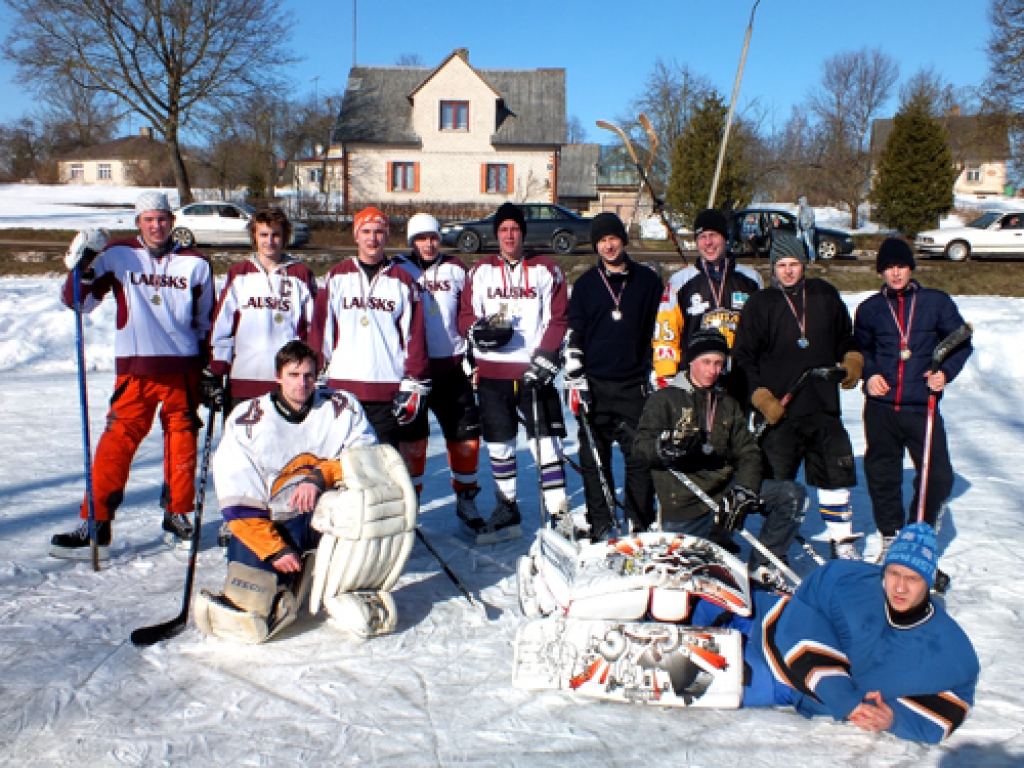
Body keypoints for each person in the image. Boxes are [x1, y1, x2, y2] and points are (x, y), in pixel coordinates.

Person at [692, 523, 979, 744]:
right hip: (771, 620)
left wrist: (893, 718)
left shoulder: (950, 649)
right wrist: (843, 697)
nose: (900, 587)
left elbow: (950, 708)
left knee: (700, 671)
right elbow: (801, 617)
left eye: (913, 579)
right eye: (894, 574)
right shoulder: (847, 578)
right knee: (693, 604)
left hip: (786, 682)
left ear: (928, 583)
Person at [50, 192, 215, 559]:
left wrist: (209, 368)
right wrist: (84, 264)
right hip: (136, 369)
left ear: (172, 220)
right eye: (148, 219)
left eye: (162, 218)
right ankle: (96, 522)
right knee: (116, 444)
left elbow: (207, 322)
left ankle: (177, 514)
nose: (156, 226)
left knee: (182, 444)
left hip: (182, 368)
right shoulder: (120, 254)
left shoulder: (195, 263)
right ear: (137, 222)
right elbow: (80, 301)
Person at [197, 340, 381, 643]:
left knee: (367, 504)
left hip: (323, 517)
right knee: (252, 605)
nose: (302, 383)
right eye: (293, 375)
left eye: (309, 375)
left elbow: (367, 458)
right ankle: (284, 578)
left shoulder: (341, 407)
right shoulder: (248, 420)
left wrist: (321, 475)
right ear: (277, 376)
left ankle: (338, 580)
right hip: (271, 522)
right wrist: (273, 549)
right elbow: (237, 502)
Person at [634, 329, 808, 584]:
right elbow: (640, 447)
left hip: (725, 497)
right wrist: (663, 448)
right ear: (691, 361)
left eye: (718, 363)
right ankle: (714, 547)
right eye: (706, 362)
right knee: (691, 584)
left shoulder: (726, 403)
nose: (712, 370)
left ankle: (761, 568)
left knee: (792, 496)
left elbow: (748, 451)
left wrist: (744, 490)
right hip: (685, 504)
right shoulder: (664, 400)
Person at [732, 232, 865, 560]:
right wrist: (760, 396)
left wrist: (852, 360)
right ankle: (777, 545)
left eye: (794, 264)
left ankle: (841, 540)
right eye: (781, 265)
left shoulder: (824, 296)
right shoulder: (760, 304)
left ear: (804, 264)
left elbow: (846, 338)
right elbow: (743, 357)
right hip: (779, 413)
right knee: (778, 483)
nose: (788, 271)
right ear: (772, 268)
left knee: (834, 474)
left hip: (822, 405)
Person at [853, 238, 972, 583]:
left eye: (901, 266)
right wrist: (870, 374)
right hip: (881, 408)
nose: (895, 272)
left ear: (910, 268)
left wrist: (944, 373)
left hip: (923, 406)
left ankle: (917, 535)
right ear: (881, 271)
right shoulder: (871, 308)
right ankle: (891, 536)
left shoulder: (936, 302)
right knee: (883, 473)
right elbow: (861, 349)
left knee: (938, 474)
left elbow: (961, 343)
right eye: (888, 267)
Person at [651, 208, 763, 552]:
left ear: (725, 238)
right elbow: (666, 333)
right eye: (702, 237)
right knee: (693, 453)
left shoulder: (750, 278)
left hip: (737, 383)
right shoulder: (682, 281)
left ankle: (724, 531)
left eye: (714, 235)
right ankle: (685, 524)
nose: (708, 242)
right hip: (697, 385)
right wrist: (667, 379)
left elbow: (763, 331)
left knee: (732, 456)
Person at [458, 202, 569, 543]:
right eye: (503, 230)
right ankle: (507, 510)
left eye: (515, 229)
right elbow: (465, 314)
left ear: (523, 232)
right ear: (497, 234)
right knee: (499, 444)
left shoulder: (545, 269)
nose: (509, 235)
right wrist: (475, 332)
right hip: (493, 375)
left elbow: (559, 317)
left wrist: (547, 355)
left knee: (546, 445)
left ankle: (558, 513)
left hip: (535, 373)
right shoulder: (480, 271)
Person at [563, 212, 662, 538]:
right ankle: (601, 521)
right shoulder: (587, 284)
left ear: (623, 239)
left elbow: (656, 330)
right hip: (595, 385)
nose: (608, 245)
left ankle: (640, 520)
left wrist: (654, 371)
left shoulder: (647, 280)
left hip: (634, 384)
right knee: (594, 458)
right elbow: (575, 331)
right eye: (602, 240)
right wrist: (574, 373)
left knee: (639, 456)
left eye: (613, 238)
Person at [393, 213, 486, 536]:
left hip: (451, 367)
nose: (428, 244)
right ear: (411, 241)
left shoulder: (457, 269)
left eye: (432, 237)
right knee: (413, 443)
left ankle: (466, 498)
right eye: (421, 238)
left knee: (465, 438)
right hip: (413, 372)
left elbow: (466, 313)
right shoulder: (397, 269)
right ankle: (410, 505)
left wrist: (473, 345)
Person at [309, 207, 431, 452]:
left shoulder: (403, 281)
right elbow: (321, 330)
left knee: (382, 468)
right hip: (341, 390)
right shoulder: (337, 277)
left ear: (387, 237)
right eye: (366, 231)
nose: (372, 239)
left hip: (386, 392)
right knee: (341, 467)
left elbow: (414, 337)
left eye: (378, 232)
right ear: (356, 236)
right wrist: (315, 373)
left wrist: (413, 382)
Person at [209, 207, 317, 414]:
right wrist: (217, 369)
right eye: (263, 235)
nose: (270, 241)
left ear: (285, 237)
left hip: (289, 380)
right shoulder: (239, 274)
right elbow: (222, 327)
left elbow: (314, 327)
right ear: (254, 237)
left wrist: (309, 369)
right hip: (244, 376)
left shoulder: (300, 274)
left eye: (276, 234)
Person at [798, 196, 816, 261]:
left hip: (808, 230)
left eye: (800, 202)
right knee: (799, 244)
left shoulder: (809, 209)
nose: (799, 204)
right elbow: (799, 220)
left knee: (809, 245)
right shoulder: (800, 210)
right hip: (801, 230)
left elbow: (811, 220)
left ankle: (812, 258)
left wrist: (807, 227)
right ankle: (801, 257)